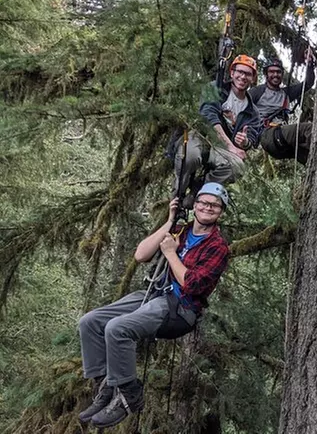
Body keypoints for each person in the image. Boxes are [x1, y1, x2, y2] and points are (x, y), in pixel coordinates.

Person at [77, 183, 230, 428]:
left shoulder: (217, 247)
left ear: (221, 211)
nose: (207, 208)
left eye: (214, 205)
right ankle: (105, 387)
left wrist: (170, 254)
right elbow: (141, 254)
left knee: (117, 329)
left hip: (180, 308)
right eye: (203, 202)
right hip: (155, 293)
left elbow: (193, 284)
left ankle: (129, 394)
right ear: (195, 204)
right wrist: (170, 221)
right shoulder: (180, 230)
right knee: (90, 322)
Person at [173, 54, 263, 207]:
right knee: (189, 157)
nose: (242, 76)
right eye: (239, 71)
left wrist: (245, 142)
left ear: (253, 78)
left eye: (248, 74)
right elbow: (208, 115)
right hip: (201, 135)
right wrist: (230, 146)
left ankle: (199, 190)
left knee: (237, 167)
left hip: (221, 148)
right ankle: (177, 199)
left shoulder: (253, 111)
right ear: (232, 73)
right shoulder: (213, 87)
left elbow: (252, 138)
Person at [249, 48, 316, 164]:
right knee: (308, 129)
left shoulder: (286, 93)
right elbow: (241, 106)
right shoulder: (257, 92)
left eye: (278, 72)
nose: (275, 74)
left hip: (281, 141)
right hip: (268, 135)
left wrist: (309, 64)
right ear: (266, 74)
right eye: (272, 72)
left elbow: (308, 83)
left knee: (311, 159)